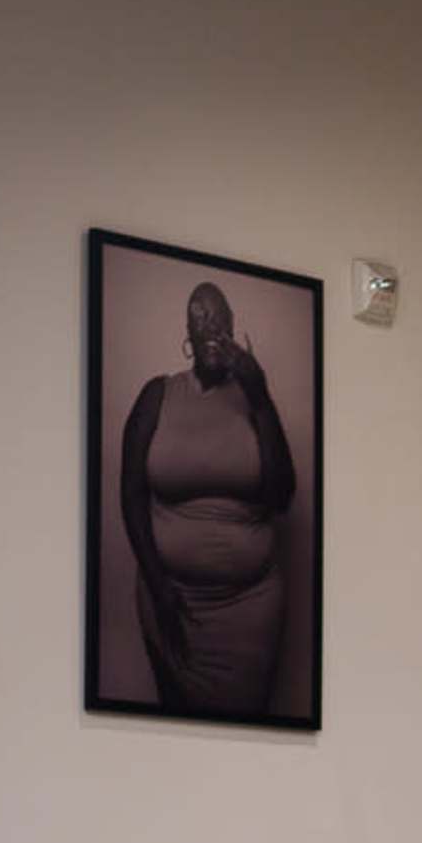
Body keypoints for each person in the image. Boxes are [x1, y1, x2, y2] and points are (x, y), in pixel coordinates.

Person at [117, 281, 299, 716]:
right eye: (200, 319)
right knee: (176, 732)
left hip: (250, 608)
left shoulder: (252, 399)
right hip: (172, 601)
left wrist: (261, 395)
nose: (211, 327)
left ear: (233, 329)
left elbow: (283, 495)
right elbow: (130, 494)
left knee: (248, 741)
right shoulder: (157, 396)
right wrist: (159, 586)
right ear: (187, 333)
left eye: (220, 320)